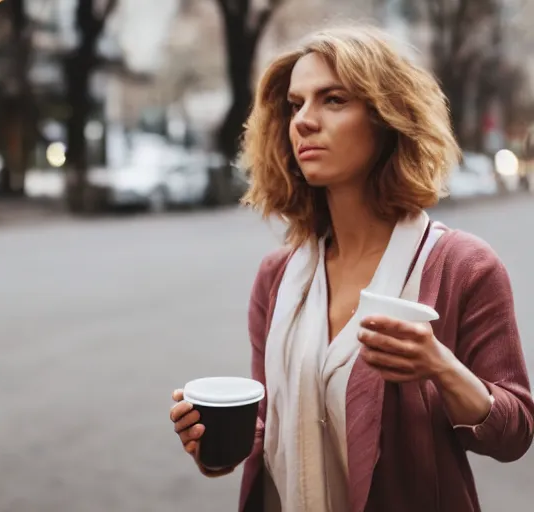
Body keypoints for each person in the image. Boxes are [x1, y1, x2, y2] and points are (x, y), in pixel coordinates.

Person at [169, 25, 534, 512]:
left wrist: (441, 367)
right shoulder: (278, 276)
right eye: (295, 105)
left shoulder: (462, 267)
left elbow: (514, 434)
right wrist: (214, 442)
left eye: (333, 100)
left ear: (387, 118)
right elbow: (273, 425)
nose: (303, 121)